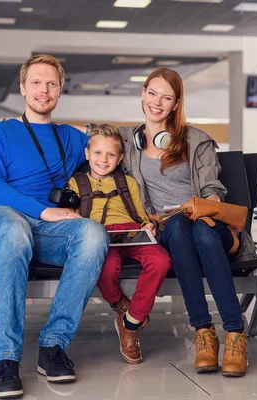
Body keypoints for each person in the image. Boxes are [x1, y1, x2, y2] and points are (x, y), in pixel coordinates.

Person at [0, 54, 109, 399]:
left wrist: (91, 131)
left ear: (60, 91)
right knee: (15, 232)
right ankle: (4, 360)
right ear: (22, 88)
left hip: (44, 232)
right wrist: (42, 211)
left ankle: (53, 347)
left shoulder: (72, 138)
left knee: (93, 233)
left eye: (51, 83)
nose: (43, 90)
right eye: (36, 82)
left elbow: (114, 145)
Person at [118, 68, 248, 377]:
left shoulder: (197, 141)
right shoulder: (126, 141)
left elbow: (213, 192)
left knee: (201, 230)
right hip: (169, 230)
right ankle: (204, 332)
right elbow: (85, 143)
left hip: (210, 228)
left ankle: (233, 333)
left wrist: (205, 205)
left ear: (176, 104)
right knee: (176, 228)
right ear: (142, 93)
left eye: (166, 97)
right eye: (152, 93)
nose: (157, 103)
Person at [67, 124, 171, 364]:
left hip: (132, 233)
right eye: (97, 153)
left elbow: (141, 214)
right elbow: (70, 218)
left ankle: (131, 322)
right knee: (104, 268)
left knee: (161, 260)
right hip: (100, 237)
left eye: (111, 154)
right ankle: (119, 304)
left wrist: (148, 226)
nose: (103, 160)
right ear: (87, 154)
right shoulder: (76, 183)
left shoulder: (129, 183)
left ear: (120, 158)